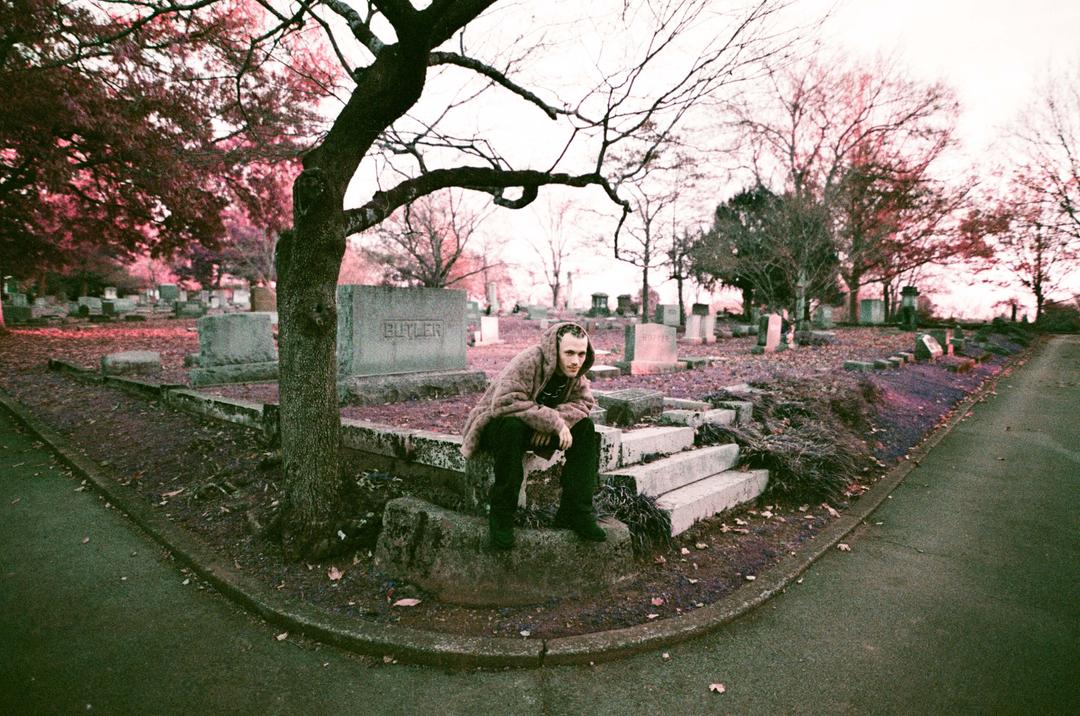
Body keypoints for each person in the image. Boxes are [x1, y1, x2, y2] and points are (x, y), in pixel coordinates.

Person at [461, 321, 606, 550]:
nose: (575, 361)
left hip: (534, 424)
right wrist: (552, 423)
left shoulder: (576, 373)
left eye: (581, 353)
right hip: (495, 422)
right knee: (512, 428)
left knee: (585, 429)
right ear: (554, 350)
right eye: (569, 353)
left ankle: (575, 511)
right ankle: (502, 514)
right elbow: (505, 403)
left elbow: (584, 403)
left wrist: (552, 424)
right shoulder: (529, 361)